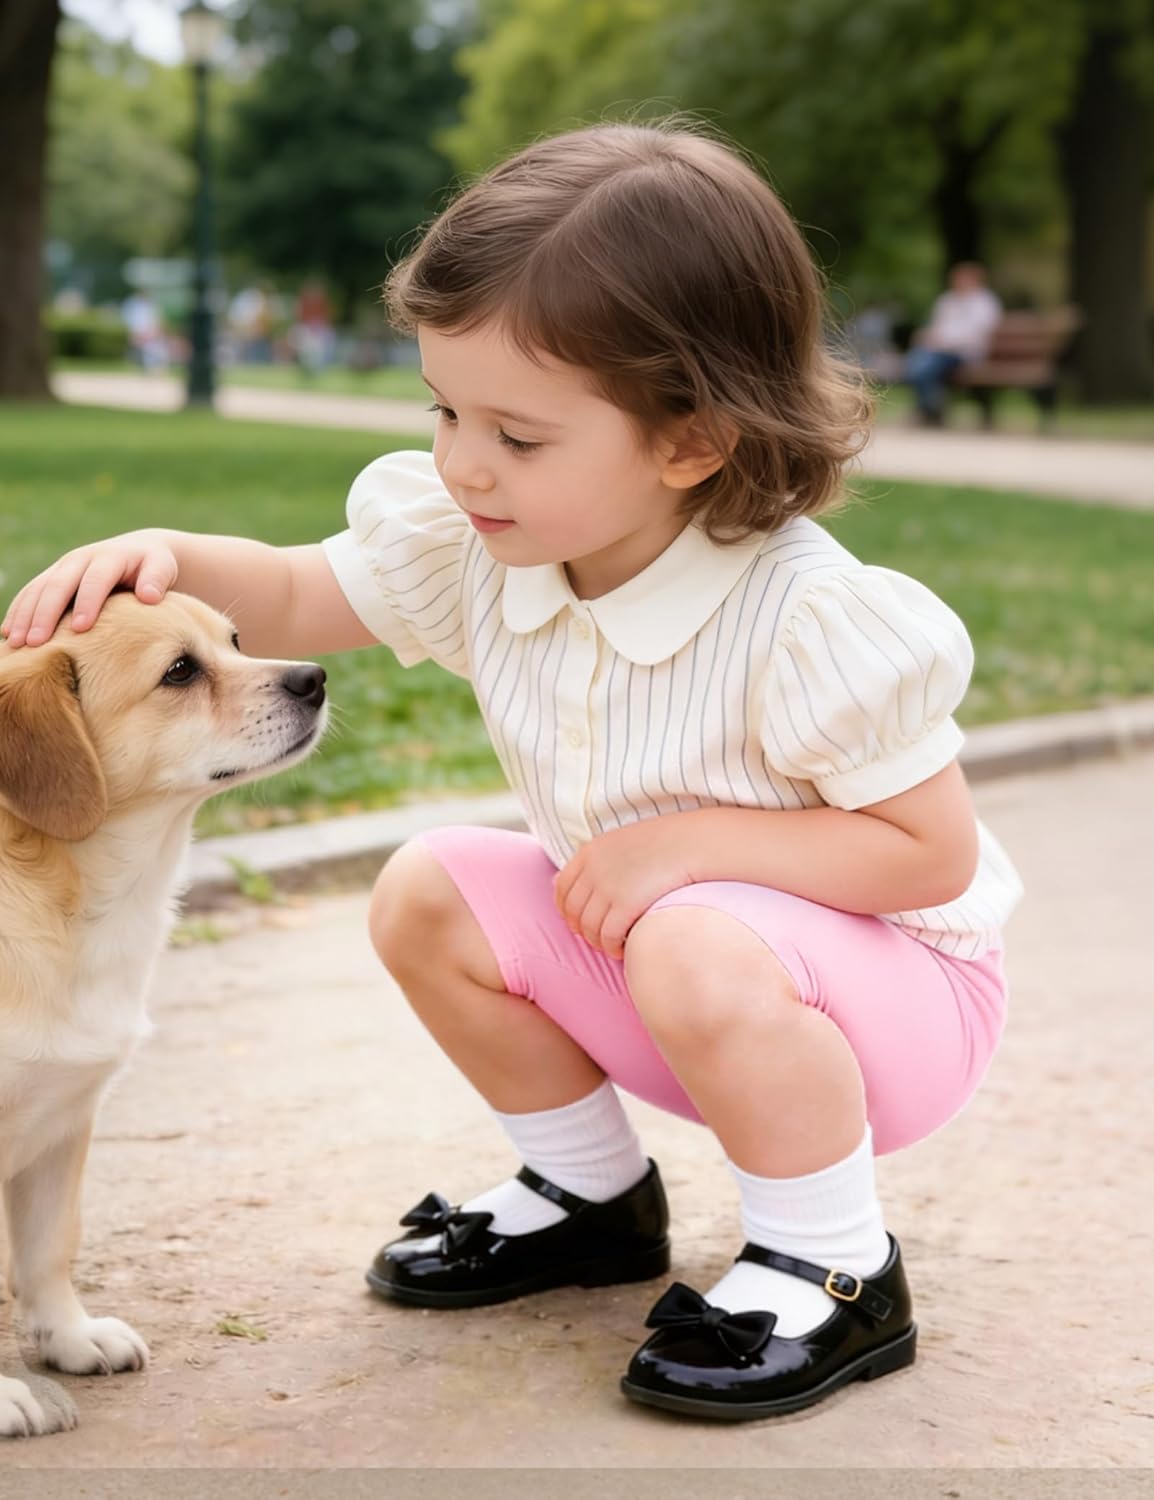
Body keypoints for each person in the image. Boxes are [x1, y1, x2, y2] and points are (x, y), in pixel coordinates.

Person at [2, 122, 1022, 1423]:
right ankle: (586, 1199)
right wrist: (169, 550)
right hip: (664, 965)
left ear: (689, 439)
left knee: (695, 937)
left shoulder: (805, 619)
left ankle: (830, 1261)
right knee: (429, 886)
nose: (462, 462)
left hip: (885, 1012)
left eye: (516, 436)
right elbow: (304, 588)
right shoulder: (491, 544)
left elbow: (923, 854)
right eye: (442, 410)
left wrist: (690, 844)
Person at [905, 262, 1003, 425]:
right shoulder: (947, 300)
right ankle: (930, 408)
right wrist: (929, 337)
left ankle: (929, 409)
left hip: (966, 354)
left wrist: (944, 341)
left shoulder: (984, 302)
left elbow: (979, 334)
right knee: (919, 361)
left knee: (923, 366)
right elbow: (937, 327)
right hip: (939, 351)